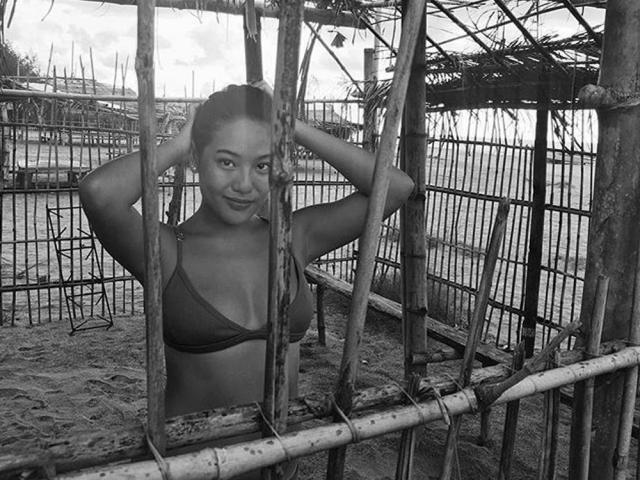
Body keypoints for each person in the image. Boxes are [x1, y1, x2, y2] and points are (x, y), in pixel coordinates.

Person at [79, 83, 414, 478]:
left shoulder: (292, 238)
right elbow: (99, 193)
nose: (244, 184)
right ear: (196, 159)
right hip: (192, 468)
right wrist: (180, 142)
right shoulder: (165, 250)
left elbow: (396, 187)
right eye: (226, 162)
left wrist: (294, 126)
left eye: (262, 166)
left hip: (279, 464)